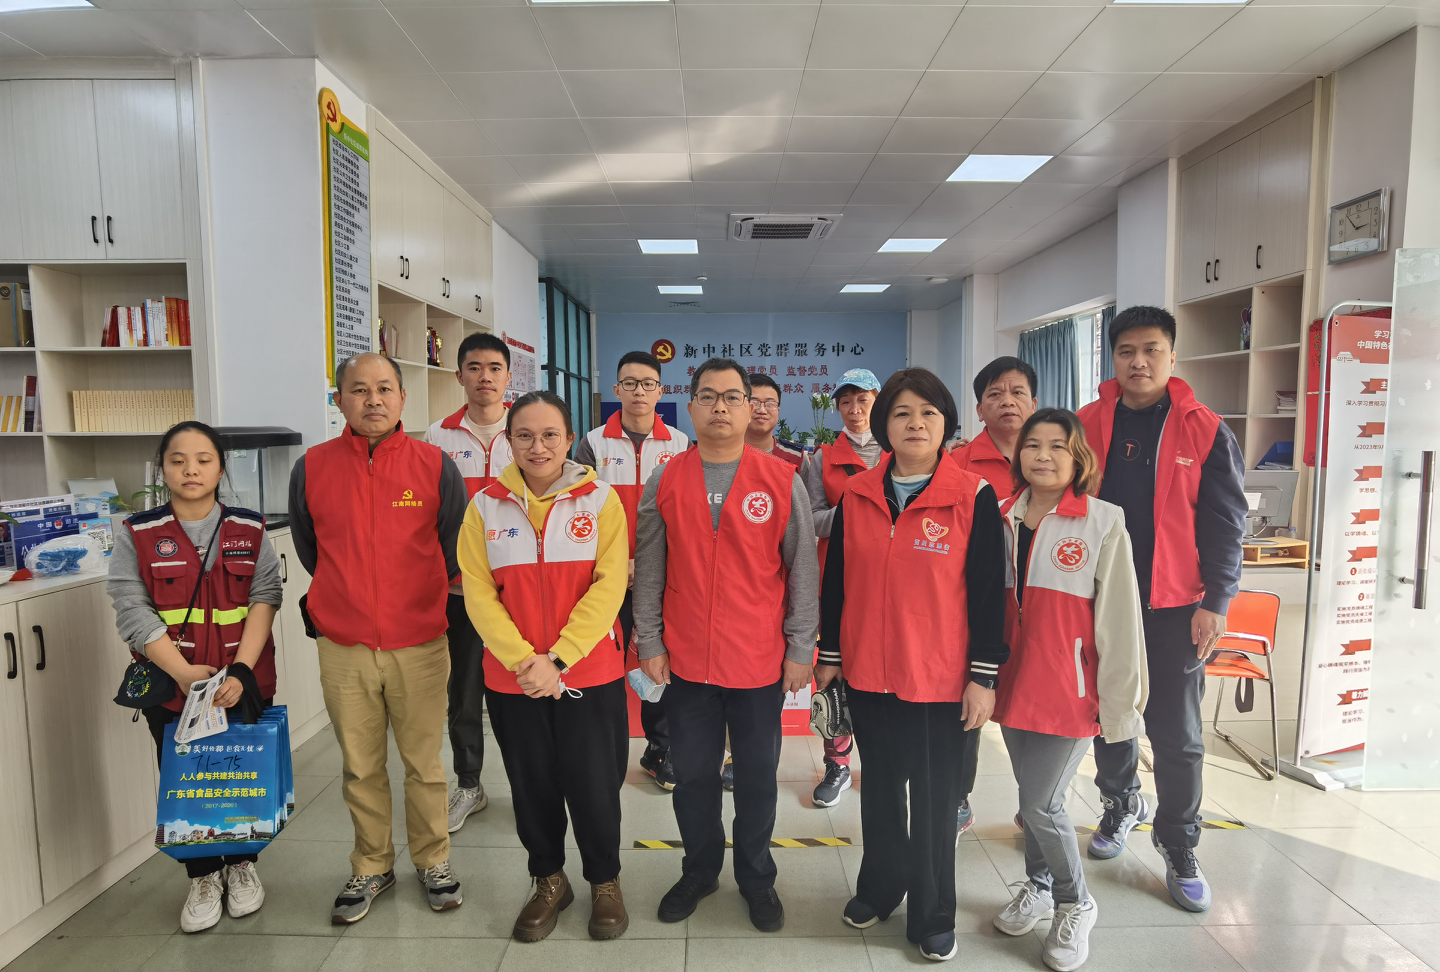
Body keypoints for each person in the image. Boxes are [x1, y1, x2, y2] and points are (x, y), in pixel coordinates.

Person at [814, 368, 1007, 963]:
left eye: (928, 412)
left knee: (932, 800)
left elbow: (989, 594)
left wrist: (983, 677)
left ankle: (932, 912)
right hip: (869, 673)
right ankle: (880, 886)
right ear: (883, 425)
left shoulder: (972, 495)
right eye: (901, 413)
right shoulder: (858, 494)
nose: (915, 423)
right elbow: (837, 581)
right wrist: (830, 655)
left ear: (946, 423)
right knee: (878, 792)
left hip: (938, 679)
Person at [633, 358, 818, 933]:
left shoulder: (780, 480)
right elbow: (649, 567)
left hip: (758, 660)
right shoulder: (667, 477)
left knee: (758, 780)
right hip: (687, 660)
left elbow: (802, 570)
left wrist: (800, 648)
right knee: (692, 778)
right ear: (690, 407)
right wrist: (649, 640)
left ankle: (757, 878)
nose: (720, 406)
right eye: (708, 396)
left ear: (750, 408)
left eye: (733, 397)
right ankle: (699, 871)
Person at [288, 352, 469, 924]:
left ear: (402, 398)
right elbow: (311, 550)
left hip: (419, 641)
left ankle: (433, 860)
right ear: (339, 399)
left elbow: (453, 548)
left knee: (425, 763)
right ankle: (371, 864)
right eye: (360, 389)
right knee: (360, 765)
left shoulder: (435, 466)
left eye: (385, 388)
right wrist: (348, 599)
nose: (373, 400)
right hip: (344, 646)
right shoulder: (312, 468)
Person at [1076, 306, 1245, 913]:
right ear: (1113, 358)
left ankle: (1179, 843)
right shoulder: (1086, 423)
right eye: (1126, 351)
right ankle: (1120, 804)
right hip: (1101, 602)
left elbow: (1226, 521)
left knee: (1178, 734)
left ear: (1173, 356)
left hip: (1177, 607)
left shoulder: (1204, 428)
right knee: (1110, 716)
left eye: (1151, 350)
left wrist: (1217, 601)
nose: (1139, 362)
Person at [458, 390, 631, 942]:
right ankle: (549, 880)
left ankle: (605, 880)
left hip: (589, 672)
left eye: (550, 435)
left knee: (595, 784)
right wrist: (524, 661)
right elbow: (478, 594)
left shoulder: (600, 500)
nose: (538, 446)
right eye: (525, 436)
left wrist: (558, 658)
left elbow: (610, 586)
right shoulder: (484, 506)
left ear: (569, 439)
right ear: (508, 441)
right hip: (515, 681)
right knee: (530, 784)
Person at [107, 421, 281, 933]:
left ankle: (242, 865)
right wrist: (183, 673)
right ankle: (203, 876)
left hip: (242, 681)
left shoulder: (250, 528)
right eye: (178, 460)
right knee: (188, 780)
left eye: (204, 460)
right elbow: (131, 610)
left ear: (221, 468)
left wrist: (242, 671)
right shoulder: (137, 533)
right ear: (162, 469)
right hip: (172, 685)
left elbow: (265, 596)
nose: (191, 470)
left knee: (243, 776)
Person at [990, 409, 1148, 972]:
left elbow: (1120, 622)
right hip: (1014, 682)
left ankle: (1075, 901)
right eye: (1032, 445)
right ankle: (1036, 885)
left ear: (1078, 458)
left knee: (1042, 802)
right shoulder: (1001, 514)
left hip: (1070, 689)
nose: (1043, 455)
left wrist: (1121, 706)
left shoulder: (1102, 521)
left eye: (1058, 446)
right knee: (1028, 801)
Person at [576, 350, 690, 791]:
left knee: (658, 661)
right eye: (629, 383)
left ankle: (660, 748)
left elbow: (685, 515)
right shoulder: (593, 444)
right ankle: (602, 751)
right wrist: (611, 564)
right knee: (601, 663)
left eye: (647, 383)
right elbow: (579, 511)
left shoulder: (679, 443)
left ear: (660, 391)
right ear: (617, 389)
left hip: (661, 579)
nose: (638, 391)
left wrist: (654, 566)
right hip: (607, 579)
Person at [947, 355, 1039, 834]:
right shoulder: (957, 464)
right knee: (968, 700)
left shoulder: (1052, 456)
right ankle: (957, 798)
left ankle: (1037, 804)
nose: (1008, 401)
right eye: (995, 394)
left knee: (1034, 704)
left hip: (1041, 605)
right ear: (979, 409)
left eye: (1017, 392)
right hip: (978, 604)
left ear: (1034, 402)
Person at [427, 332, 514, 833]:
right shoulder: (437, 437)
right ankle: (469, 784)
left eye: (495, 368)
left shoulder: (526, 430)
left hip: (518, 590)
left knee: (521, 690)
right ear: (459, 375)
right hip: (459, 589)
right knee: (463, 692)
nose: (485, 377)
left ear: (508, 377)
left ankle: (530, 781)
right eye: (475, 367)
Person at [800, 367, 884, 807]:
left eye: (863, 400)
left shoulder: (899, 451)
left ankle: (883, 761)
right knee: (834, 669)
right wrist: (857, 512)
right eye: (846, 402)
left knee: (885, 669)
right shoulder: (822, 459)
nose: (854, 410)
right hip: (840, 581)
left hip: (892, 583)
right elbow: (812, 519)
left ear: (878, 401)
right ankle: (837, 764)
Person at [744, 373, 806, 468]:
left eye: (770, 404)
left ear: (778, 410)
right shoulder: (725, 453)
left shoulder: (796, 455)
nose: (762, 410)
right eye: (754, 403)